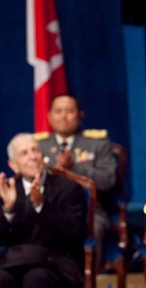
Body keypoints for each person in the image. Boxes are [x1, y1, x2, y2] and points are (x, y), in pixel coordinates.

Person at [0, 133, 85, 288]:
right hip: (15, 261)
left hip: (54, 261)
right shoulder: (7, 190)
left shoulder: (68, 187)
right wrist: (8, 209)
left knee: (35, 278)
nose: (32, 156)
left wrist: (42, 204)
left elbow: (72, 231)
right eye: (24, 153)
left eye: (35, 150)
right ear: (13, 165)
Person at [35, 93, 117, 268]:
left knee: (92, 228)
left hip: (90, 210)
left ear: (80, 115)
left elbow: (108, 181)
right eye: (58, 111)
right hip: (49, 208)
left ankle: (89, 286)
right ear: (49, 116)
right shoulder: (37, 146)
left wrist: (75, 167)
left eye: (69, 111)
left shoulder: (97, 143)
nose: (63, 116)